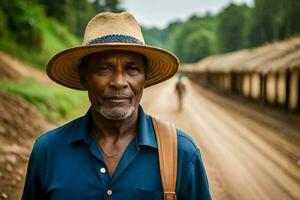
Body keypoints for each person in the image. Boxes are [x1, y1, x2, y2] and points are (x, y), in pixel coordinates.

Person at [22, 12, 211, 200]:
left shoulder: (182, 153)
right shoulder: (48, 151)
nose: (119, 82)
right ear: (83, 77)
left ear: (145, 78)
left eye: (132, 69)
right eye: (104, 68)